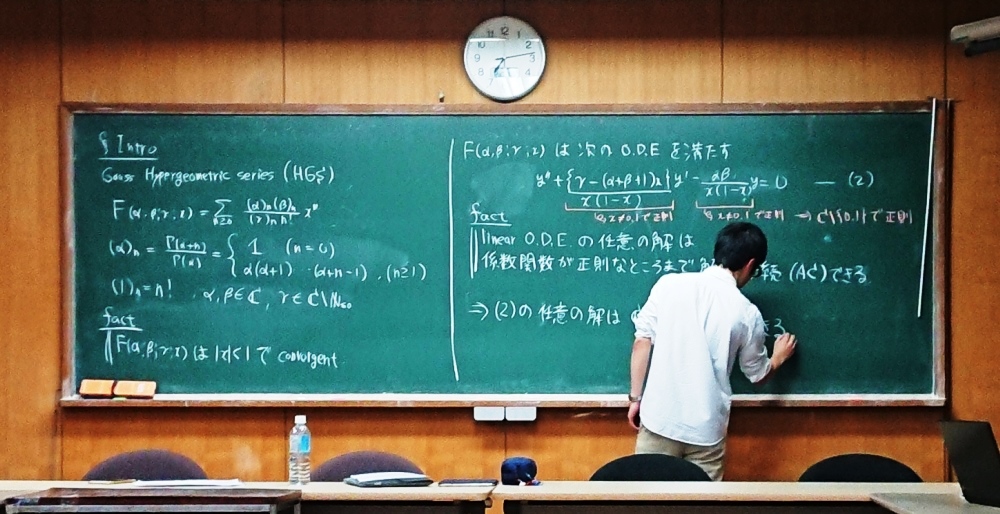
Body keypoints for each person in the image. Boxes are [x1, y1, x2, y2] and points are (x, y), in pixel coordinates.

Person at [627, 221, 797, 481]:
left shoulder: (668, 285)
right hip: (706, 430)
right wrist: (778, 358)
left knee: (648, 498)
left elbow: (642, 341)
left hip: (659, 419)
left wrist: (635, 399)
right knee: (703, 502)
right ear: (750, 264)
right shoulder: (746, 312)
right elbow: (758, 375)